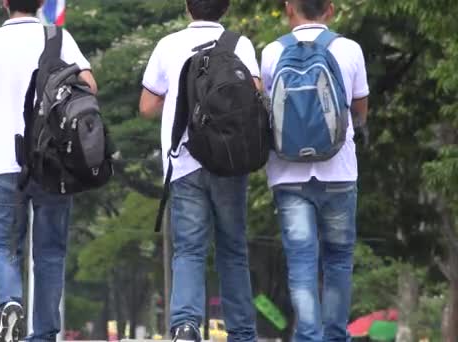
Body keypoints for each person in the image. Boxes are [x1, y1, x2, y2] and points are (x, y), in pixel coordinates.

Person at [0, 0, 96, 341]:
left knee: (4, 246)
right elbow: (90, 88)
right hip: (52, 159)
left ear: (4, 3)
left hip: (4, 162)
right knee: (50, 252)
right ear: (40, 3)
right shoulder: (59, 38)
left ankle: (9, 305)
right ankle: (45, 333)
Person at [139, 1, 261, 341]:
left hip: (183, 162)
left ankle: (185, 327)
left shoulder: (168, 45)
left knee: (189, 249)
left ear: (187, 6)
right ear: (225, 8)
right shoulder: (240, 44)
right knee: (232, 248)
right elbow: (255, 92)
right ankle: (241, 331)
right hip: (229, 160)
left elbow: (147, 106)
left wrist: (181, 94)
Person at [260, 0, 369, 340]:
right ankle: (336, 335)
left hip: (287, 175)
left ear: (289, 8)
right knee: (338, 260)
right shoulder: (349, 49)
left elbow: (268, 109)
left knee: (301, 262)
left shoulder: (271, 52)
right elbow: (360, 106)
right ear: (331, 10)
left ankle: (308, 336)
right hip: (339, 172)